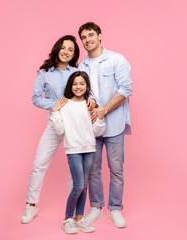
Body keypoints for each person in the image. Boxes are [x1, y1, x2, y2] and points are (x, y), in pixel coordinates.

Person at [21, 35, 96, 224]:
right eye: (63, 48)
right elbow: (36, 97)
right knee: (39, 164)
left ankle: (72, 216)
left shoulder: (77, 71)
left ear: (74, 54)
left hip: (77, 125)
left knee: (76, 173)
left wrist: (93, 100)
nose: (66, 52)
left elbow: (87, 91)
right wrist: (55, 104)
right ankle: (31, 205)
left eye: (71, 49)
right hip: (55, 123)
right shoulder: (44, 73)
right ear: (57, 48)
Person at [77, 22, 133, 228]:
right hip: (91, 125)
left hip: (115, 124)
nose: (87, 39)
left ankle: (116, 208)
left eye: (91, 35)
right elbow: (80, 92)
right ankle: (96, 207)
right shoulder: (81, 66)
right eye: (83, 37)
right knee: (92, 169)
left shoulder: (117, 59)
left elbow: (125, 89)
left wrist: (105, 109)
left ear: (100, 36)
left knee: (116, 168)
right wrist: (88, 103)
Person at [49, 71, 106, 234]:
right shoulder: (65, 105)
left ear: (87, 86)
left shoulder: (90, 105)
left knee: (84, 185)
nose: (78, 87)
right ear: (70, 86)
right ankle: (68, 219)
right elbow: (60, 129)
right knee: (78, 185)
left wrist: (100, 117)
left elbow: (97, 132)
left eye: (82, 83)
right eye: (75, 84)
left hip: (89, 149)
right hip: (73, 150)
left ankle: (80, 219)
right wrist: (55, 111)